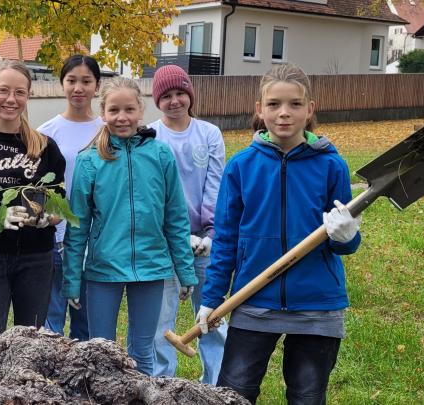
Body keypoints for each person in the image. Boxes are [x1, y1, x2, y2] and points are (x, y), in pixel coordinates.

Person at [198, 63, 362, 404]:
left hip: (317, 306)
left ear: (310, 110)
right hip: (253, 300)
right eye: (274, 104)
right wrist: (212, 298)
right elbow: (226, 238)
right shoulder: (241, 166)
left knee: (307, 396)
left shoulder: (332, 165)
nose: (284, 113)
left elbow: (346, 243)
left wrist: (347, 235)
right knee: (234, 394)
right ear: (259, 109)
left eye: (295, 104)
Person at [63, 77, 196, 376]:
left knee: (142, 352)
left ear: (140, 111)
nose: (122, 117)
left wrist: (185, 270)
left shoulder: (160, 155)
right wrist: (72, 279)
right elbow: (78, 226)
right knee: (101, 352)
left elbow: (175, 217)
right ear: (103, 114)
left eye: (129, 110)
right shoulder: (89, 160)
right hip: (103, 270)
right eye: (114, 110)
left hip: (151, 266)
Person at [0, 60, 65, 337]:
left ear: (29, 95)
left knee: (29, 338)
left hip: (37, 256)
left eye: (19, 92)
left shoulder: (45, 146)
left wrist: (48, 219)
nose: (11, 99)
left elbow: (59, 202)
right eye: (4, 90)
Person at [147, 65, 228, 381]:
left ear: (190, 95)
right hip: (166, 242)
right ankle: (163, 380)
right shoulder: (151, 136)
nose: (174, 101)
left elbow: (215, 184)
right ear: (157, 100)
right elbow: (153, 193)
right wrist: (178, 235)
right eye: (166, 96)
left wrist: (209, 231)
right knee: (161, 317)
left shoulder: (208, 133)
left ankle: (216, 381)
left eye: (180, 93)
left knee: (212, 313)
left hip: (206, 242)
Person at [36, 54, 103, 340]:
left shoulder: (106, 130)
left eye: (86, 81)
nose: (78, 88)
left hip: (92, 238)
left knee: (86, 323)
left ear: (97, 86)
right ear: (62, 84)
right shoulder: (45, 133)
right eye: (71, 80)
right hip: (56, 236)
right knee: (51, 319)